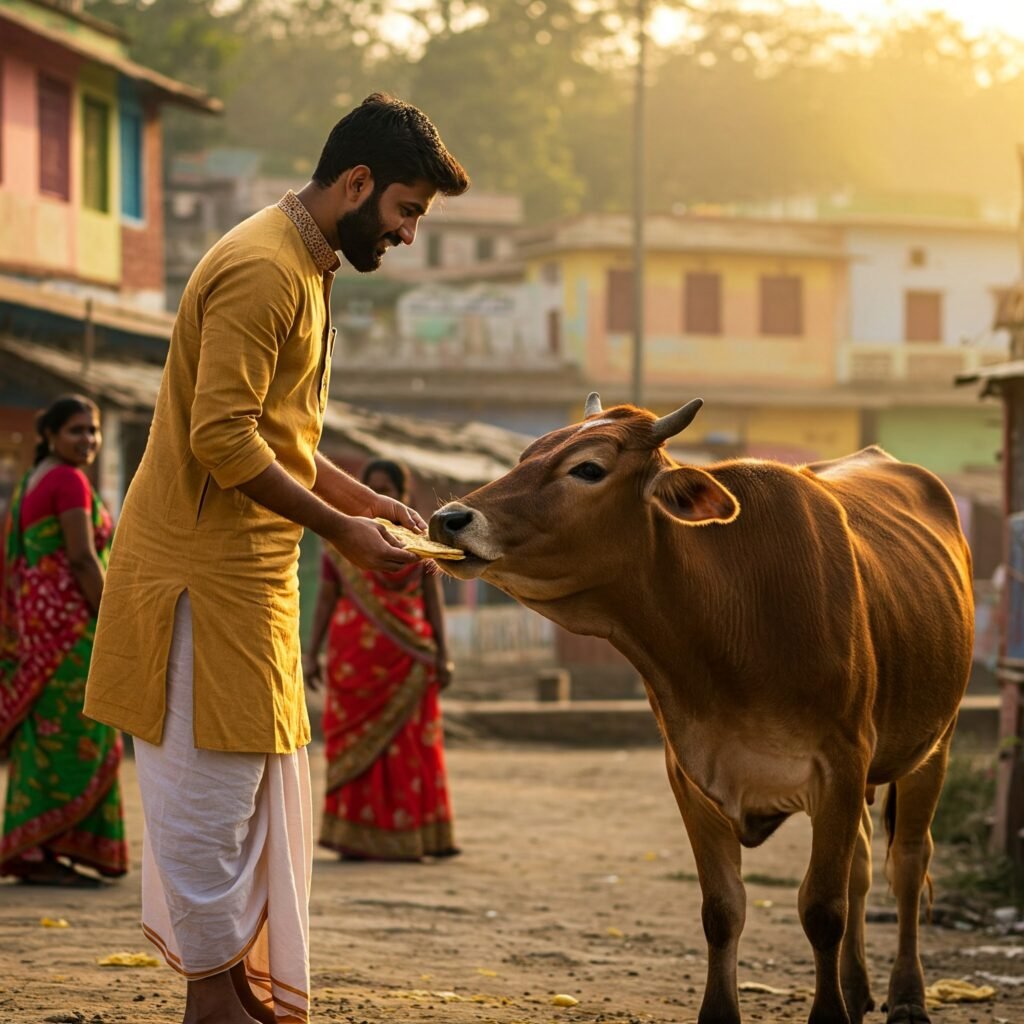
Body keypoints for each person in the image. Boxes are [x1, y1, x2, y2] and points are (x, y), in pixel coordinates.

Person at [83, 93, 468, 1024]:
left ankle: (227, 998)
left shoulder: (303, 259)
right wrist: (340, 532)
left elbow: (277, 431)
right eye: (408, 211)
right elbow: (222, 439)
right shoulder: (264, 268)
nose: (410, 233)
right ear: (358, 182)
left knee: (252, 801)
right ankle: (212, 1008)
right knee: (209, 812)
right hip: (196, 585)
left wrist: (359, 498)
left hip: (247, 582)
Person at [0, 395, 128, 887]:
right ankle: (48, 850)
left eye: (93, 431)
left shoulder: (33, 481)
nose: (89, 440)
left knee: (44, 738)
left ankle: (38, 849)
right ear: (50, 435)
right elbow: (80, 558)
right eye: (77, 431)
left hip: (38, 631)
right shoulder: (69, 480)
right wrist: (114, 621)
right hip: (72, 630)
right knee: (83, 735)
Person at [304, 459, 458, 862]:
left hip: (409, 655)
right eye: (368, 488)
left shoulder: (421, 540)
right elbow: (325, 596)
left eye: (383, 489)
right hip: (353, 656)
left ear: (401, 497)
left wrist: (443, 652)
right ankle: (354, 838)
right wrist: (310, 652)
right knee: (352, 742)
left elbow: (433, 598)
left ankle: (416, 837)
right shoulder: (343, 540)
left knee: (411, 745)